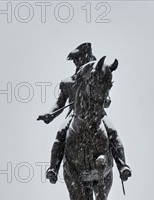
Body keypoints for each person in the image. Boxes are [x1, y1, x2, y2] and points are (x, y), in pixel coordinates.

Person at [37, 42, 132, 184]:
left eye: (80, 58)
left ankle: (122, 165)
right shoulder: (67, 82)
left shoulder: (95, 77)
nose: (78, 61)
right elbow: (60, 103)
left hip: (97, 113)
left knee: (112, 132)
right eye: (76, 59)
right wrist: (50, 114)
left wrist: (105, 99)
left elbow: (105, 95)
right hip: (74, 114)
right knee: (61, 134)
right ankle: (53, 168)